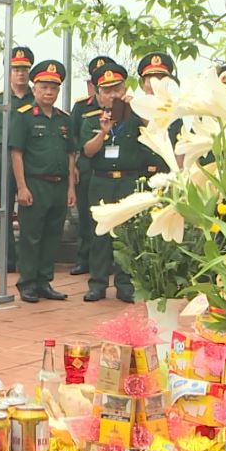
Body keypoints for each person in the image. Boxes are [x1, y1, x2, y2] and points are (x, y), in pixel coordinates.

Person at [9, 60, 76, 303]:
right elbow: (16, 153)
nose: (49, 92)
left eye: (53, 88)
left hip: (58, 185)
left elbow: (70, 154)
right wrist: (21, 187)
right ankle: (27, 283)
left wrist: (70, 188)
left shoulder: (63, 119)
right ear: (34, 89)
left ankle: (44, 281)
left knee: (52, 235)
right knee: (31, 236)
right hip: (34, 184)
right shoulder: (24, 116)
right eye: (44, 87)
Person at [80, 63, 143, 303]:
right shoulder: (91, 118)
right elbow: (87, 151)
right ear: (98, 94)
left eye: (117, 89)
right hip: (101, 181)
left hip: (128, 180)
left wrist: (134, 106)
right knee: (99, 234)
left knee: (126, 234)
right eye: (107, 91)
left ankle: (125, 284)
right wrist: (103, 132)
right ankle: (97, 284)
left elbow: (154, 130)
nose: (112, 95)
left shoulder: (134, 115)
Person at [0, 47, 35, 275]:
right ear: (9, 72)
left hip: (30, 160)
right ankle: (5, 258)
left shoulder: (37, 98)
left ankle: (29, 258)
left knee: (29, 208)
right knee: (2, 208)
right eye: (16, 69)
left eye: (25, 69)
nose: (20, 74)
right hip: (3, 158)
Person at [69, 56, 113, 276]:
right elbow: (73, 137)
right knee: (86, 215)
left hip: (111, 167)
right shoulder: (81, 107)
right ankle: (84, 258)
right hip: (86, 165)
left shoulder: (123, 107)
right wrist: (73, 166)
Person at [136, 52, 181, 176]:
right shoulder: (131, 110)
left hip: (166, 175)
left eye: (161, 79)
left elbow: (179, 150)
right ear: (142, 84)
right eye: (150, 80)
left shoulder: (175, 111)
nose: (156, 84)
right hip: (136, 179)